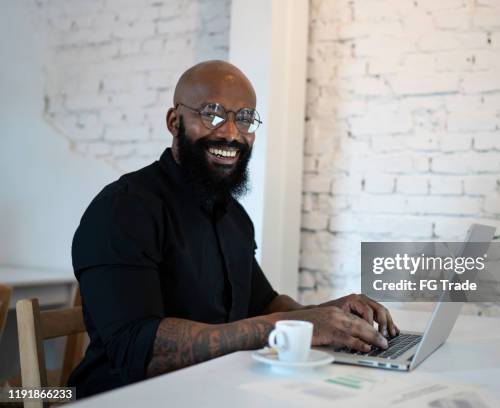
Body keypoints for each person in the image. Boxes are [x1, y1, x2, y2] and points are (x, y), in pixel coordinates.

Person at [68, 60, 398, 398]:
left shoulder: (233, 216)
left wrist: (327, 317)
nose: (230, 133)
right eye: (211, 114)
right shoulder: (123, 208)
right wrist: (294, 327)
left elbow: (264, 303)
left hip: (216, 390)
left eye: (244, 118)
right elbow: (138, 349)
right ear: (173, 121)